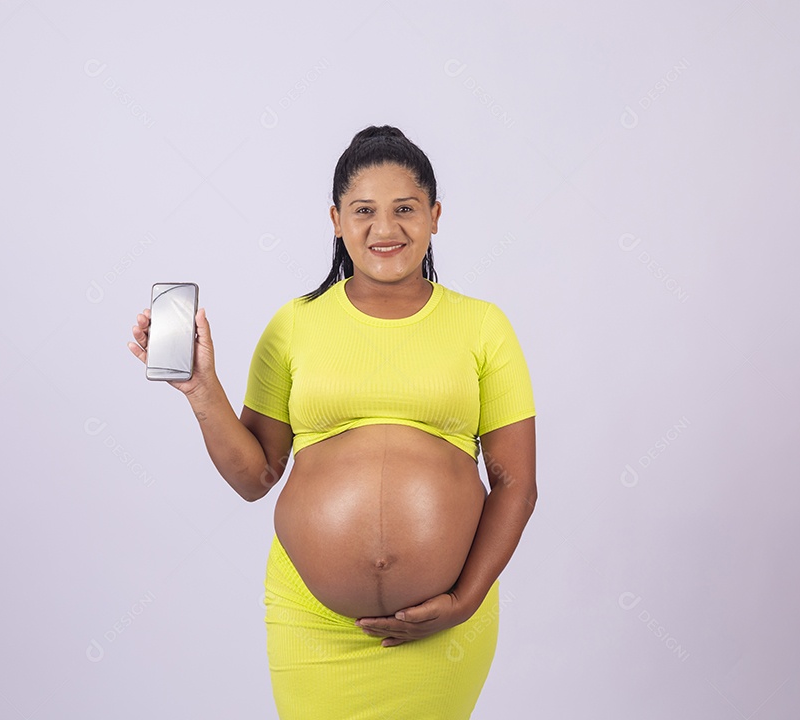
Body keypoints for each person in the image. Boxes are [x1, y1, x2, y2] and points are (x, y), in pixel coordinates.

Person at [128, 125, 537, 719]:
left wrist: (465, 600)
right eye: (363, 211)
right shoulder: (295, 324)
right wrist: (201, 390)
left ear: (435, 215)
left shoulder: (483, 327)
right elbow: (255, 477)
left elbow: (516, 484)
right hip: (312, 623)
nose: (385, 229)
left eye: (405, 209)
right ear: (336, 220)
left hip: (443, 626)